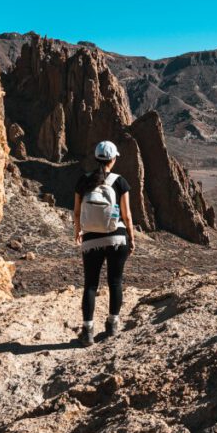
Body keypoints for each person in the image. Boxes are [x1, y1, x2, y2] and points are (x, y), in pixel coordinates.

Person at [73, 139, 135, 347]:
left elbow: (77, 212)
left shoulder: (84, 180)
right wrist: (132, 237)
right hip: (117, 236)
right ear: (113, 159)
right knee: (115, 282)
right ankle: (112, 326)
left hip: (91, 238)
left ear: (97, 158)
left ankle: (88, 331)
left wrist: (78, 232)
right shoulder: (120, 181)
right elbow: (126, 215)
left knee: (90, 284)